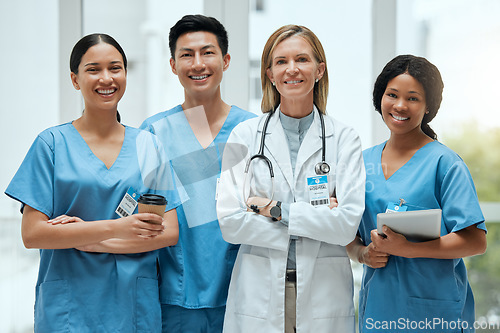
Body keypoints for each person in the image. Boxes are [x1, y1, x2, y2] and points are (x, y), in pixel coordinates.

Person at [4, 33, 181, 333]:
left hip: (132, 306)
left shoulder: (148, 146)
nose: (106, 78)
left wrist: (86, 240)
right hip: (69, 308)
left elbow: (169, 233)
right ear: (75, 79)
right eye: (93, 69)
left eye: (115, 68)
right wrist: (118, 228)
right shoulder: (51, 145)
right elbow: (33, 234)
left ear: (125, 74)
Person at [216, 25, 365, 332]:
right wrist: (319, 219)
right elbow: (230, 223)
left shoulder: (345, 139)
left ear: (319, 70)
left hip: (323, 294)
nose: (292, 69)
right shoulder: (244, 136)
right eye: (281, 61)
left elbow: (347, 224)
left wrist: (276, 210)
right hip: (259, 291)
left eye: (302, 59)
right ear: (270, 73)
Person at [347, 54, 487, 333]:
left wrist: (408, 249)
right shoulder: (360, 163)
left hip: (436, 313)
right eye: (392, 95)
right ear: (380, 98)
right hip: (379, 311)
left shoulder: (445, 164)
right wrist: (362, 254)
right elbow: (348, 232)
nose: (400, 105)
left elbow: (475, 241)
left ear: (428, 107)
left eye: (412, 98)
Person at [140, 14, 256, 333]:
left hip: (243, 292)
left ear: (226, 60)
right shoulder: (154, 133)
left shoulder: (251, 130)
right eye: (186, 55)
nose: (197, 63)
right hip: (176, 297)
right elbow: (148, 216)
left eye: (207, 52)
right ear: (173, 65)